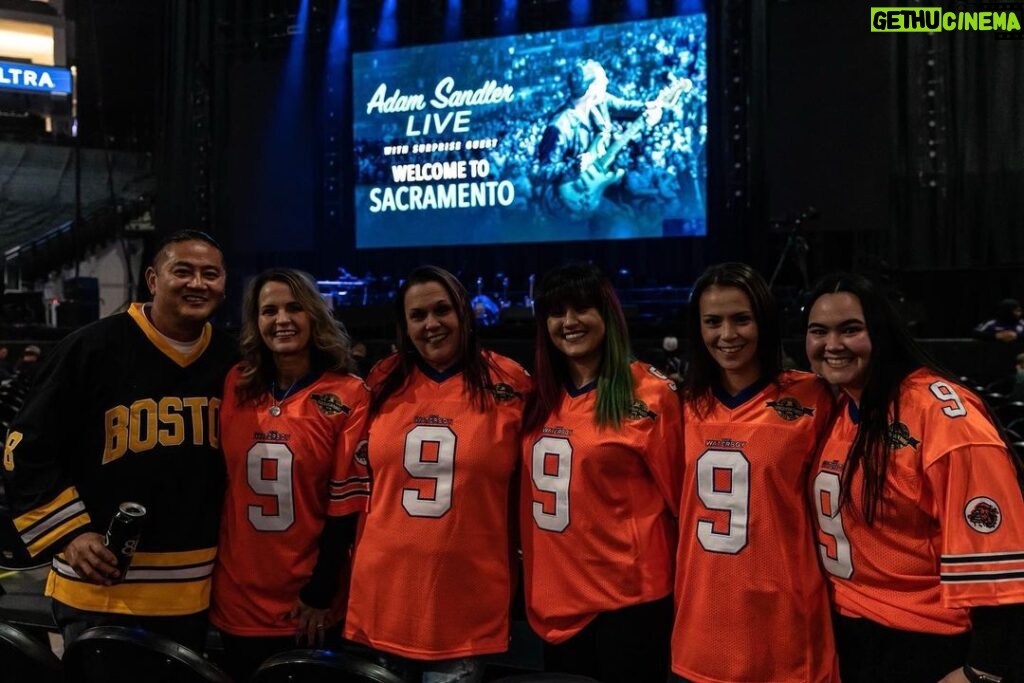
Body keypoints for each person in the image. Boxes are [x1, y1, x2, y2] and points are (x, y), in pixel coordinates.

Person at [0, 229, 236, 652]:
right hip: (97, 591)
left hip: (194, 590)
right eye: (182, 271)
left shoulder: (233, 360)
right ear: (152, 279)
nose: (197, 283)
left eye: (210, 274)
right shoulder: (89, 348)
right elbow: (23, 448)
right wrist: (70, 535)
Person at [805, 272, 1024, 683]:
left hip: (925, 643)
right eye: (819, 331)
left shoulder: (941, 418)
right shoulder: (838, 408)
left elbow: (1002, 561)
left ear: (883, 332)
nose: (832, 345)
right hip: (849, 636)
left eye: (850, 329)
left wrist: (985, 669)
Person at [343, 265, 531, 683]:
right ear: (404, 326)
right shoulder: (382, 380)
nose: (432, 324)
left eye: (442, 310)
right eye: (418, 315)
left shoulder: (512, 382)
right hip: (383, 598)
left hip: (465, 601)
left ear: (464, 312)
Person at [671, 262, 839, 683]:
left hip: (786, 622)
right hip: (702, 621)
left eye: (741, 319)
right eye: (713, 322)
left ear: (763, 321)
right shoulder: (679, 406)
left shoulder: (813, 396)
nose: (727, 335)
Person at [520, 263, 682, 683]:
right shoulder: (537, 397)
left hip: (628, 605)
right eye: (557, 313)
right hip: (555, 602)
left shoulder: (650, 394)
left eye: (582, 309)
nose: (569, 322)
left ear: (607, 315)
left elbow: (682, 504)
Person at [210, 268, 371, 682]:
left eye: (294, 307)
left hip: (308, 603)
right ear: (256, 322)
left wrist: (319, 594)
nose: (282, 319)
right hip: (237, 597)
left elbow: (344, 507)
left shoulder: (348, 394)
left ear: (314, 315)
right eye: (269, 311)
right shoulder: (234, 384)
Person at [534, 59, 664, 229]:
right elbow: (542, 171)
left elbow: (624, 106)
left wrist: (648, 108)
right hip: (568, 202)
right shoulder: (560, 125)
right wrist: (574, 167)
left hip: (599, 189)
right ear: (591, 88)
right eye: (603, 79)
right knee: (622, 226)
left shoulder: (600, 102)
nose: (607, 82)